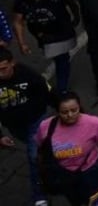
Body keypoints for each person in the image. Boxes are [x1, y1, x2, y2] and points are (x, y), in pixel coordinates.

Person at [36, 91, 98, 206]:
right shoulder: (45, 127)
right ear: (57, 111)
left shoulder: (94, 124)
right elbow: (41, 150)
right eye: (64, 112)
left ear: (79, 107)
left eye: (74, 110)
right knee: (75, 200)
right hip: (64, 174)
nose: (70, 115)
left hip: (92, 171)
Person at [0, 47, 56, 206]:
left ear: (13, 63)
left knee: (33, 156)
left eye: (4, 68)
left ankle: (39, 195)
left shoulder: (27, 74)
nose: (0, 73)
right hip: (14, 126)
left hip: (34, 120)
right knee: (40, 151)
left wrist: (65, 109)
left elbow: (47, 92)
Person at [13, 0, 79, 94]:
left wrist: (76, 18)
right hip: (42, 35)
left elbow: (71, 3)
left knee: (62, 59)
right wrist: (22, 43)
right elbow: (18, 21)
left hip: (61, 31)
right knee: (59, 58)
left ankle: (62, 88)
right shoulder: (23, 0)